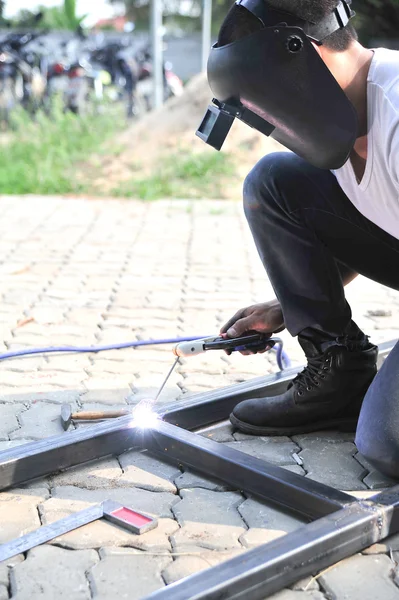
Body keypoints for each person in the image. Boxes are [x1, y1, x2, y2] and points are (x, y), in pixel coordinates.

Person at [217, 0, 399, 478]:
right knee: (276, 180)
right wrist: (288, 306)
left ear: (305, 55)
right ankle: (338, 371)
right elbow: (378, 218)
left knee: (388, 442)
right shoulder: (340, 122)